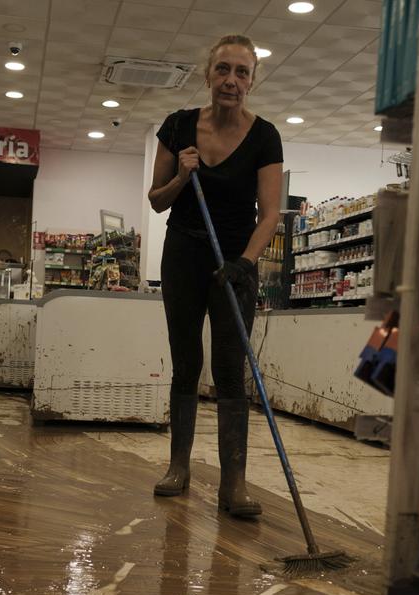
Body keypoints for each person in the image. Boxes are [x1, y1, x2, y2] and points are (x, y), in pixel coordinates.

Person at [148, 34, 284, 518]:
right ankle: (178, 467)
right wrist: (183, 176)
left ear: (252, 80)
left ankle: (234, 485)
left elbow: (270, 213)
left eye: (241, 72)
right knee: (186, 361)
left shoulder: (265, 135)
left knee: (231, 368)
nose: (231, 80)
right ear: (207, 76)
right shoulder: (179, 126)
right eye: (223, 69)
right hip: (184, 252)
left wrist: (245, 264)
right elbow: (156, 199)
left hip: (234, 262)